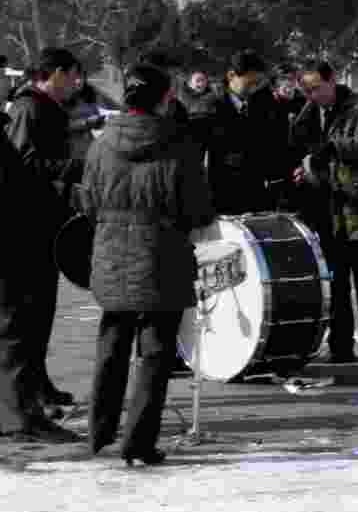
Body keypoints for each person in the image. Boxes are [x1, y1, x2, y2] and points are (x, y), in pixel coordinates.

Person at [80, 63, 215, 465]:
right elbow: (197, 209)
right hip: (162, 256)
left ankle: (98, 432)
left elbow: (87, 203)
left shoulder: (101, 144)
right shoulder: (178, 144)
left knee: (111, 345)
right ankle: (138, 443)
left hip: (111, 254)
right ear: (164, 98)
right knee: (155, 354)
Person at [4, 47, 85, 409]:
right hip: (30, 224)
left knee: (43, 309)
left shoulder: (47, 108)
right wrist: (74, 168)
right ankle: (26, 397)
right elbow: (24, 163)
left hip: (50, 221)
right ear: (53, 74)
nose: (76, 83)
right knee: (28, 314)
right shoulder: (28, 107)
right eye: (71, 75)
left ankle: (39, 382)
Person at [298, 61, 358, 364]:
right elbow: (299, 146)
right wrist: (304, 169)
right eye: (306, 90)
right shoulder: (309, 113)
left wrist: (332, 149)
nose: (312, 95)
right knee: (335, 286)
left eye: (317, 88)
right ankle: (340, 344)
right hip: (326, 211)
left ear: (332, 81)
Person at [193, 50, 291, 214]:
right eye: (250, 83)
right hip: (221, 199)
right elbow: (195, 159)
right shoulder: (209, 108)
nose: (254, 89)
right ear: (231, 75)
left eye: (258, 84)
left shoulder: (262, 106)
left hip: (257, 197)